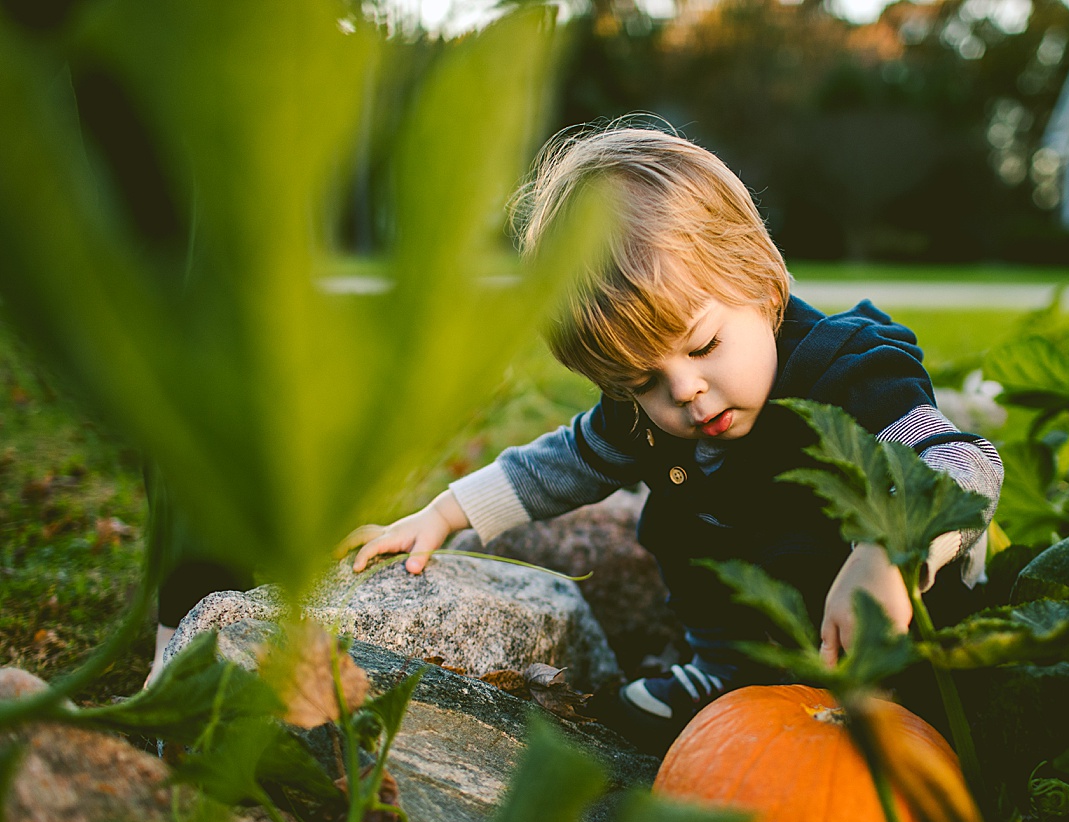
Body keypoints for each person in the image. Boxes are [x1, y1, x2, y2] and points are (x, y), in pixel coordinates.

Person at [345, 123, 1003, 746]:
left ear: (763, 284)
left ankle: (910, 694)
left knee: (925, 730)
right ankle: (729, 670)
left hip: (903, 643)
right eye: (640, 382)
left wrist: (889, 550)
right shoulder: (648, 414)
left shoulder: (848, 370)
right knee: (684, 539)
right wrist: (445, 513)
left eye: (704, 345)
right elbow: (562, 462)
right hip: (757, 645)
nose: (683, 391)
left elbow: (960, 463)